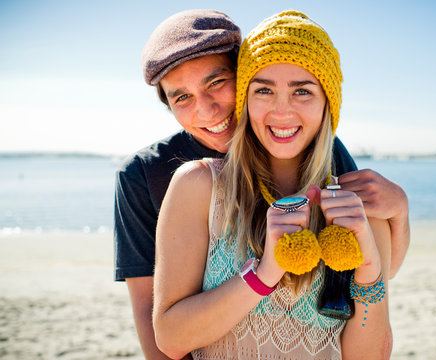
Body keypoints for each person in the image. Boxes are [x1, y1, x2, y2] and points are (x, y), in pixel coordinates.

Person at [114, 9, 408, 360]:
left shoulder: (340, 179)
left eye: (216, 83)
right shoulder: (165, 177)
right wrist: (263, 274)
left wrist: (397, 217)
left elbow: (371, 291)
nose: (208, 112)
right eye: (182, 97)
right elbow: (159, 327)